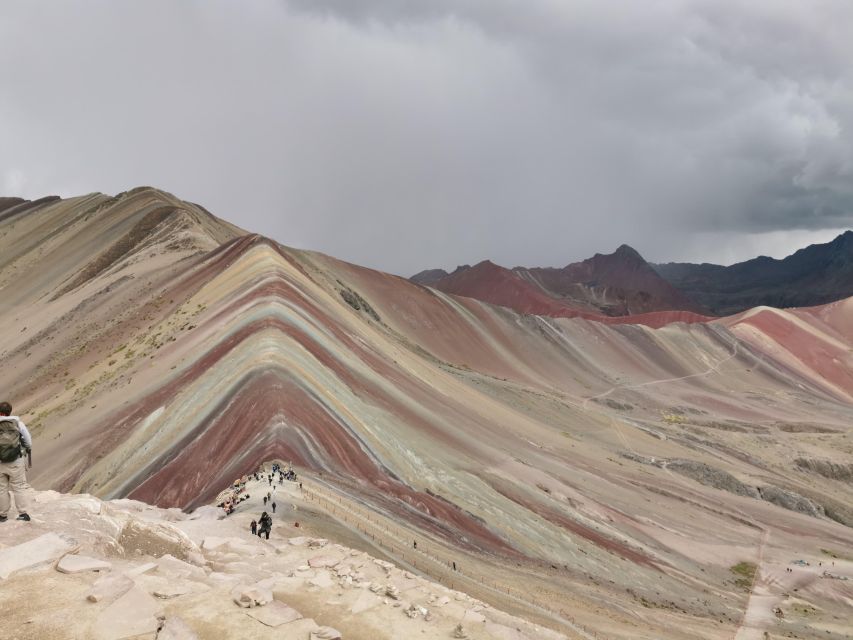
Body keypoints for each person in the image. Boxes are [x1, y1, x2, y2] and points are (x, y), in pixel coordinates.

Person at [0, 402, 32, 522]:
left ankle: (2, 515)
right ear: (10, 411)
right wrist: (26, 448)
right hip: (16, 459)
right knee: (18, 487)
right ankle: (23, 514)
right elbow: (28, 441)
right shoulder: (18, 423)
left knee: (1, 489)